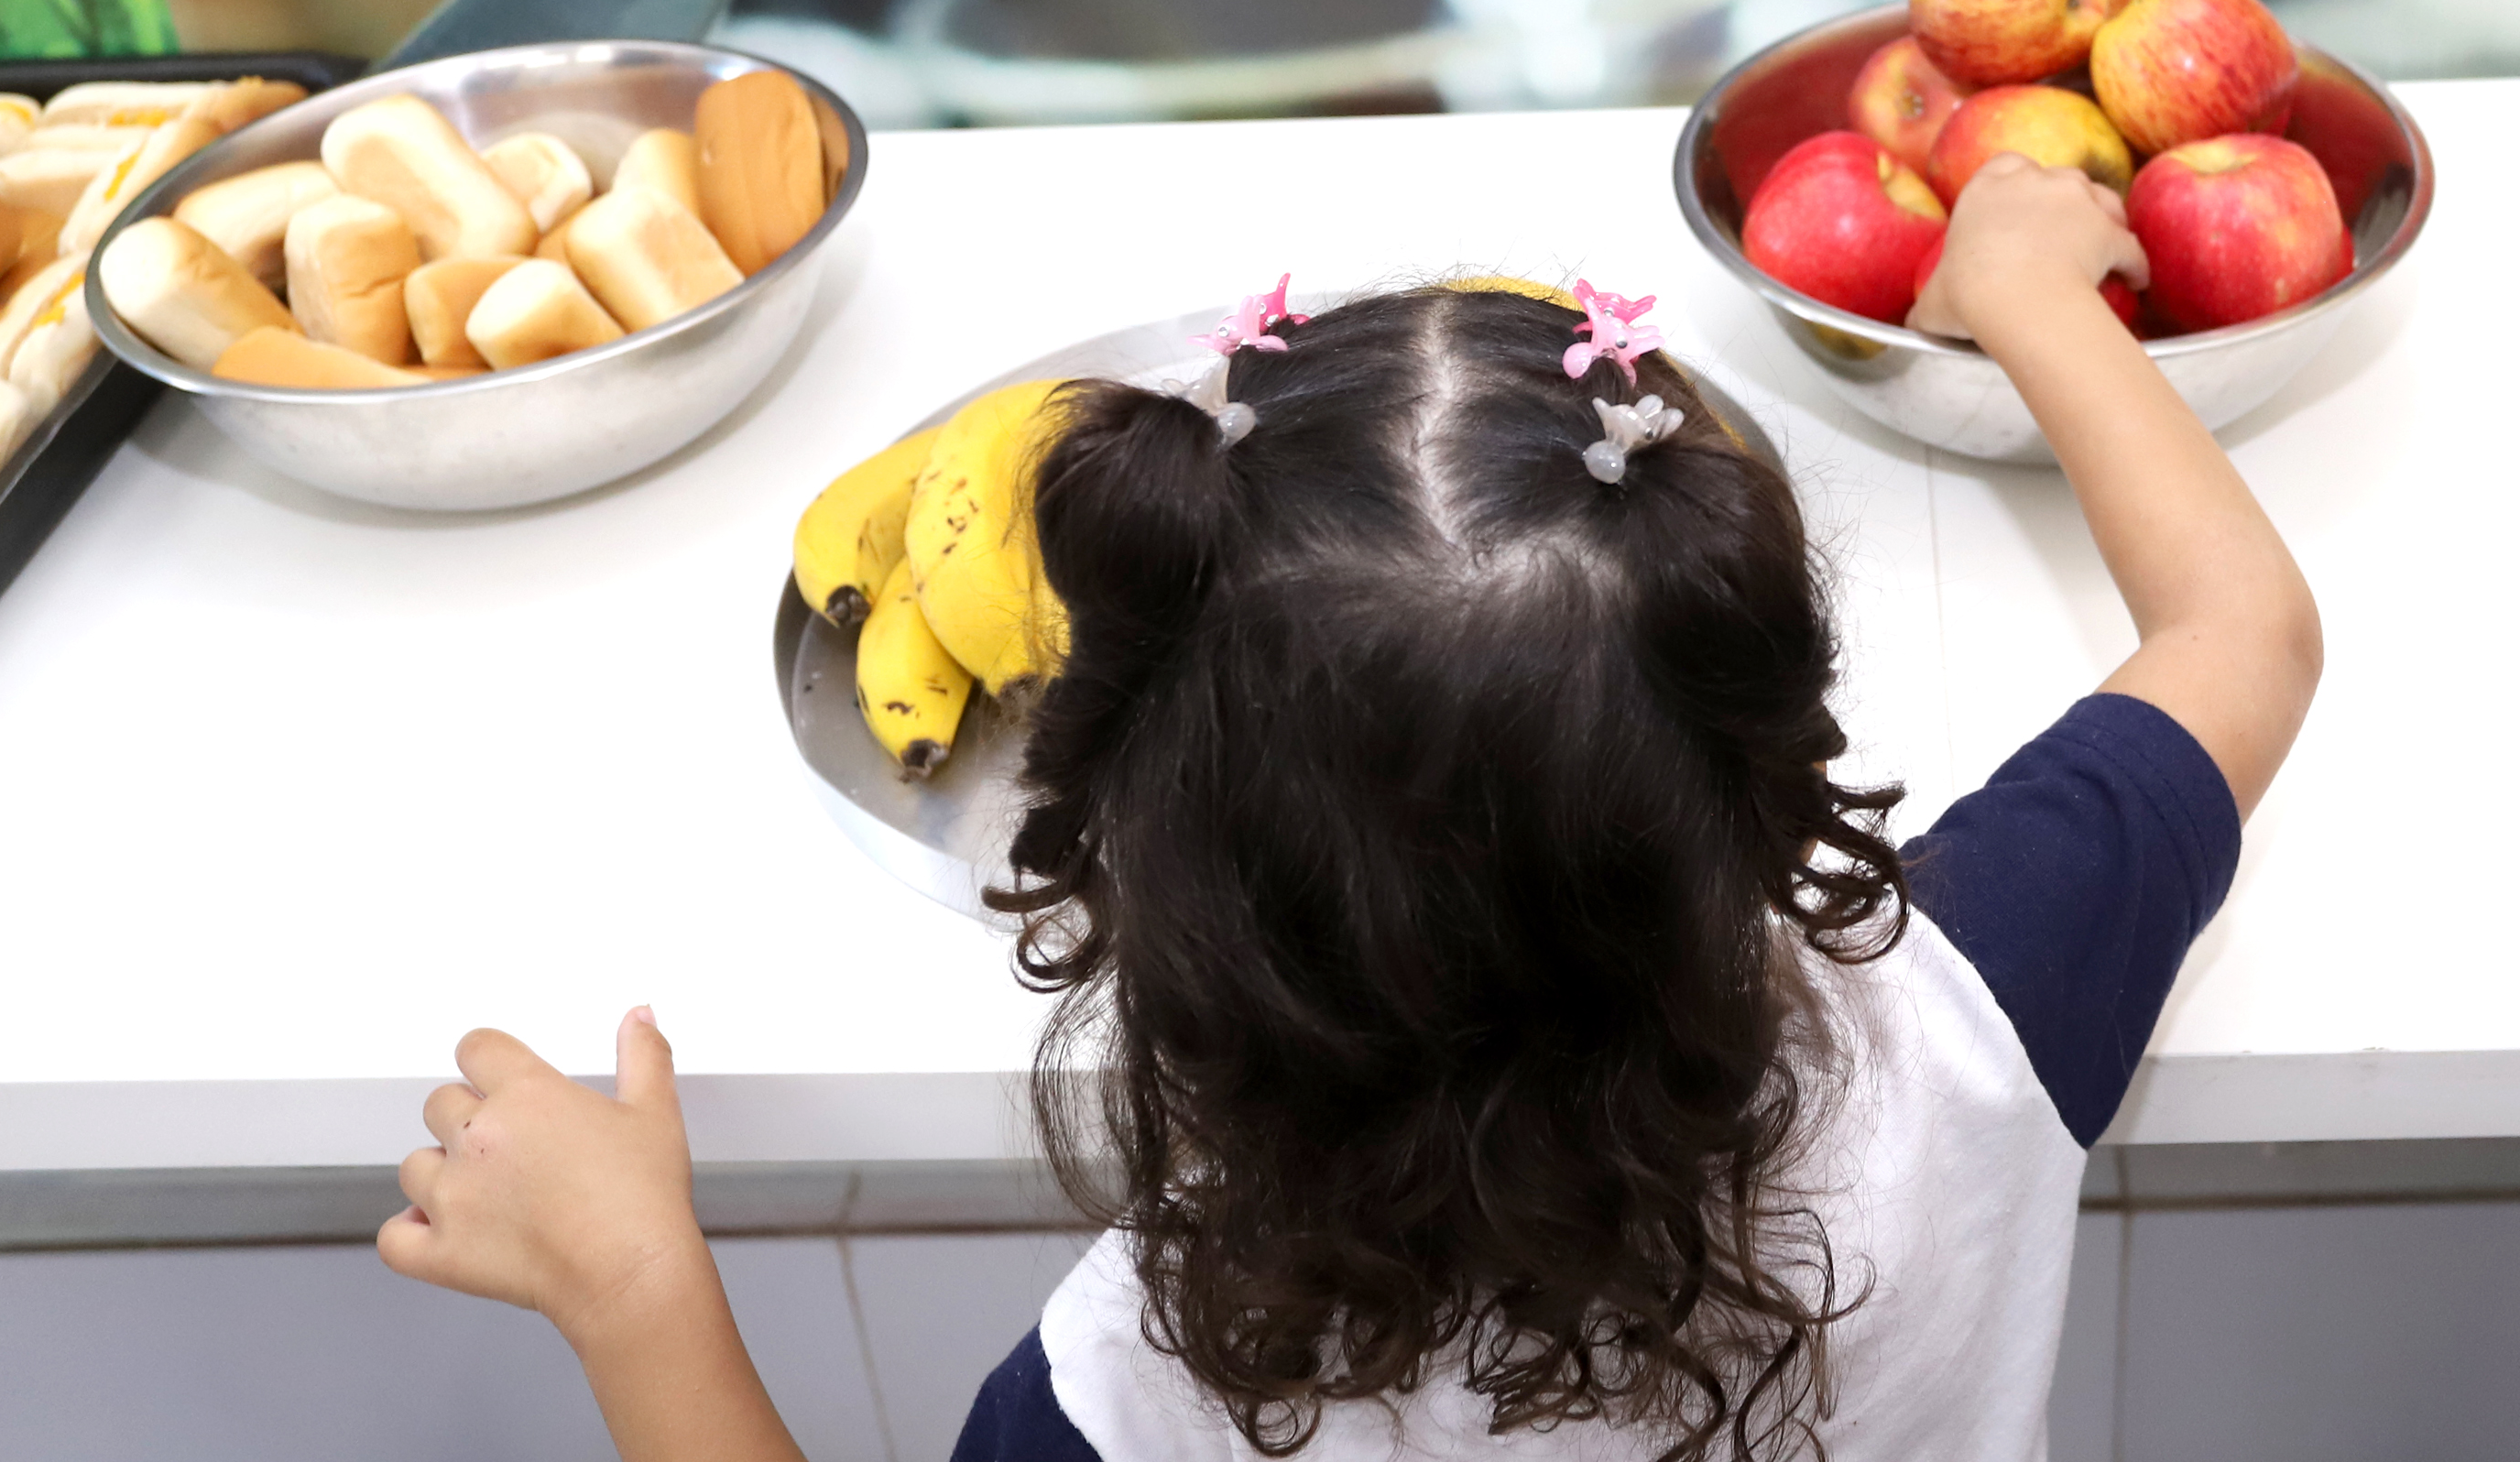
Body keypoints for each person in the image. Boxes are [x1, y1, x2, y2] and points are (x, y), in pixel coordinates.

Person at [374, 152, 2321, 1460]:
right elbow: (2245, 631)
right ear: (1750, 741)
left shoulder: (1161, 1388)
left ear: (1169, 884)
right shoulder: (1977, 1014)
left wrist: (631, 1285)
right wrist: (2028, 294)